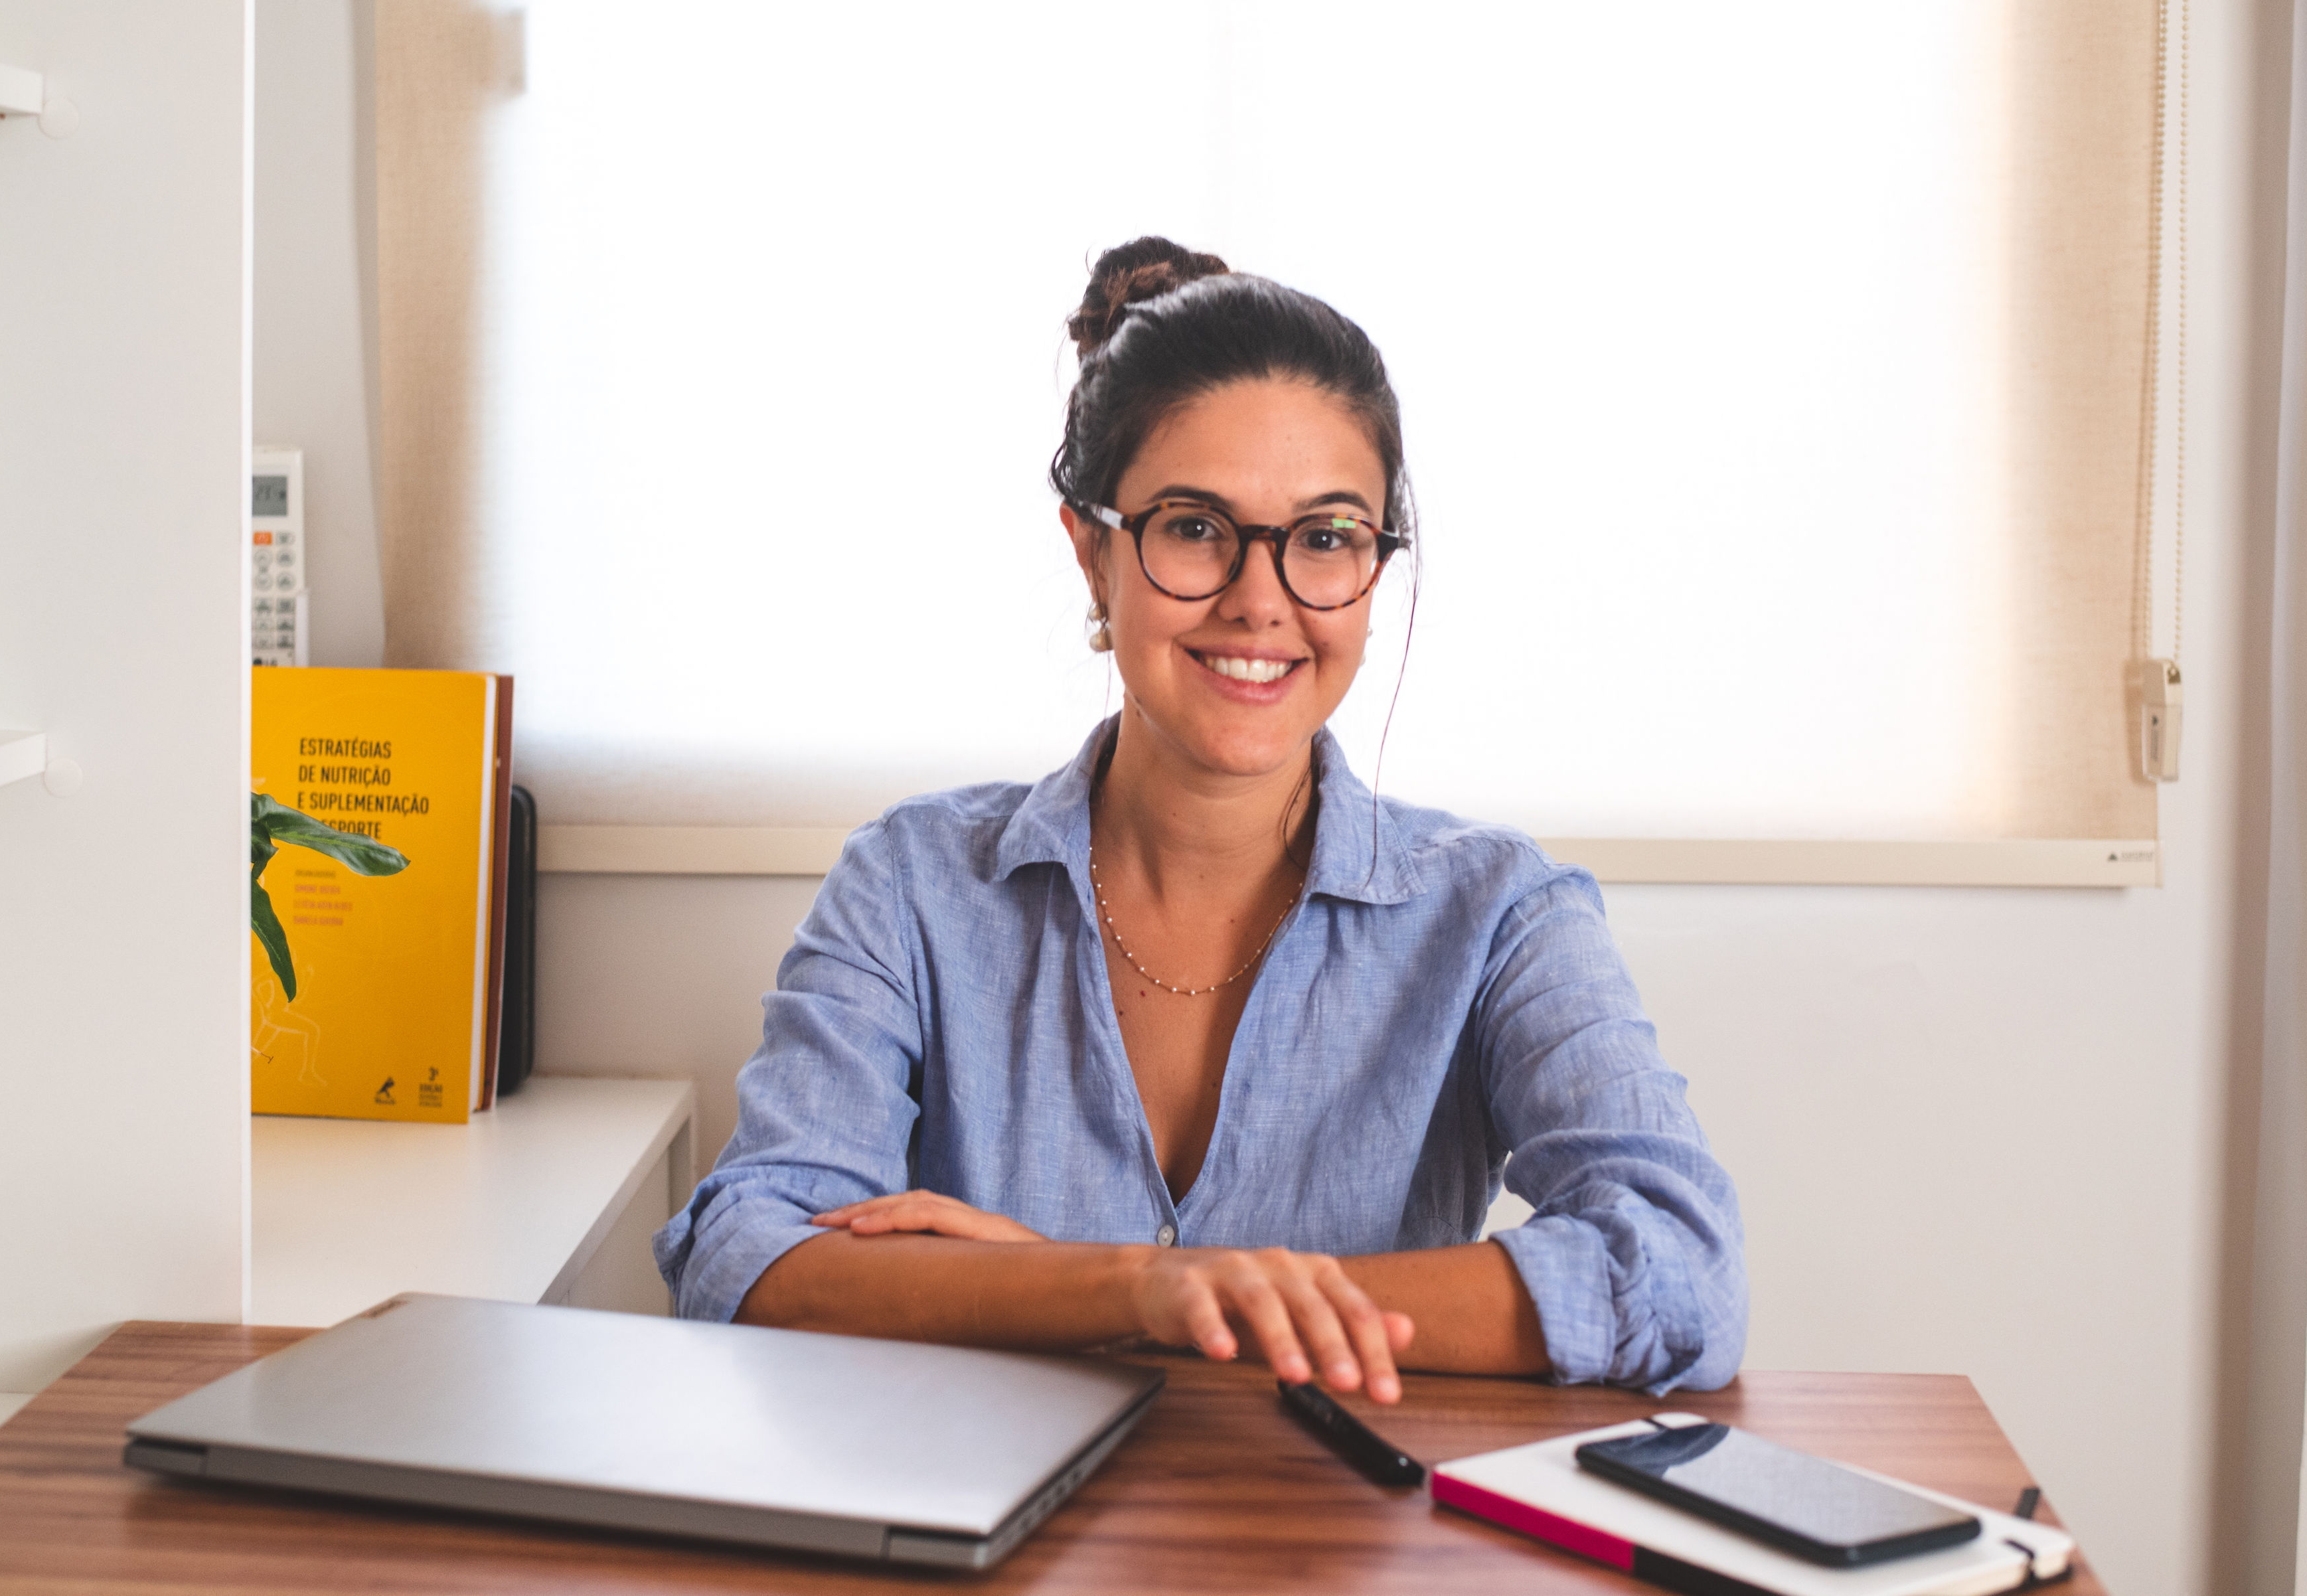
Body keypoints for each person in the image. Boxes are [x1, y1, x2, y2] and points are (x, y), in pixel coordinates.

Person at [655, 237, 1745, 1401]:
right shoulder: (911, 883)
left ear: (1373, 571)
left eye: (1325, 538)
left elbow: (1683, 1270)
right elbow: (745, 1257)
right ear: (1094, 554)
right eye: (1193, 527)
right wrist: (1131, 1287)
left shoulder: (1501, 915)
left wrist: (1169, 1300)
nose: (1261, 601)